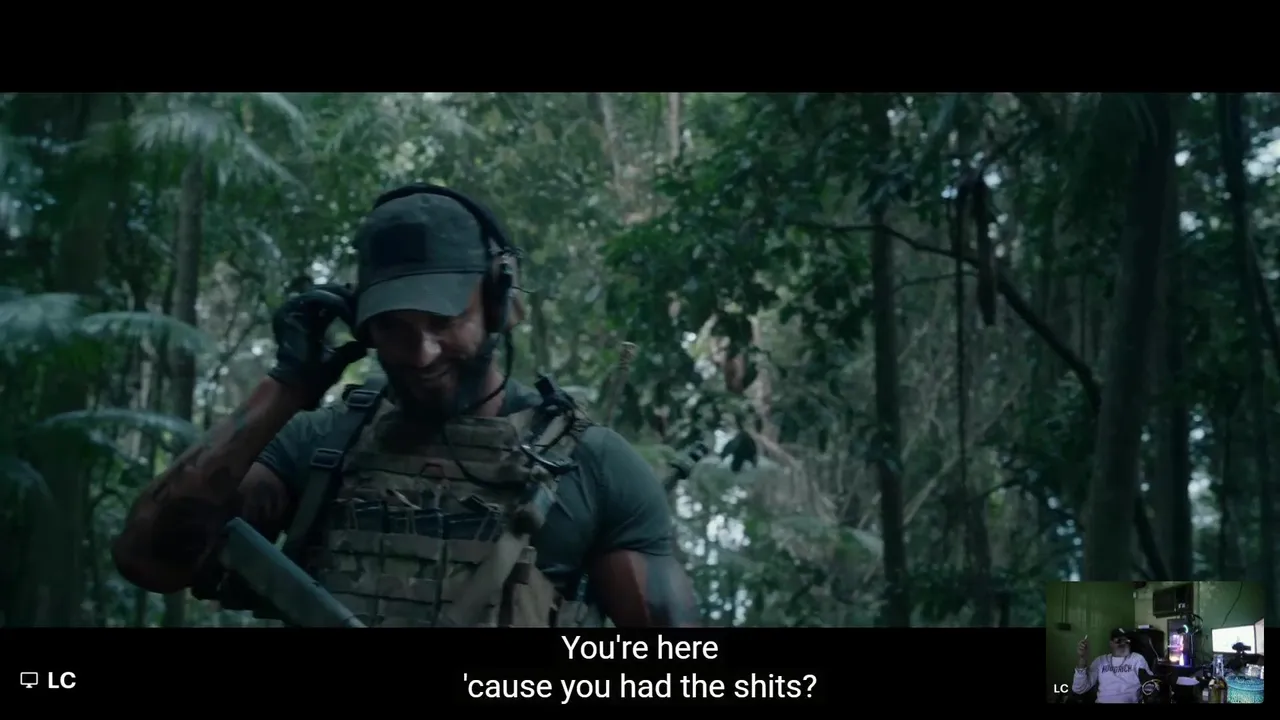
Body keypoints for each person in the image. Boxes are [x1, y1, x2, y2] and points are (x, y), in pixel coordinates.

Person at [112, 184, 699, 628]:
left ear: (498, 304)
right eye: (394, 327)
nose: (422, 353)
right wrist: (287, 386)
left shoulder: (592, 466)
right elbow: (148, 559)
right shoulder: (321, 446)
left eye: (444, 321)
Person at [1072, 628, 1151, 703]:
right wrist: (1083, 658)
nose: (1123, 643)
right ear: (1111, 643)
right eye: (1119, 641)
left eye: (1127, 641)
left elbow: (1150, 685)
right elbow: (1079, 689)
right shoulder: (1100, 661)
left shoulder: (1137, 659)